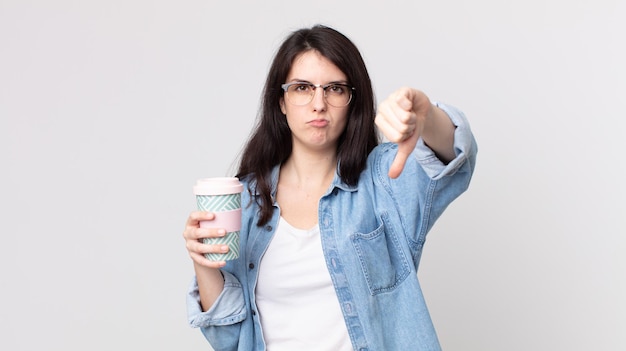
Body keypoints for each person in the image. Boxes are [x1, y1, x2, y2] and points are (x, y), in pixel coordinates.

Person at [183, 24, 477, 351]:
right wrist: (203, 262)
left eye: (335, 89)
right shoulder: (248, 201)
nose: (319, 103)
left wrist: (426, 115)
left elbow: (453, 158)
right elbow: (229, 338)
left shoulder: (383, 179)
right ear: (281, 101)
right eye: (302, 88)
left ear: (352, 100)